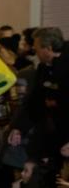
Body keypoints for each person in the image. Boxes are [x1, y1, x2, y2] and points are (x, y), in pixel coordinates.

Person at [8, 27, 68, 162]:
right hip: (54, 130)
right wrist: (18, 127)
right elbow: (35, 101)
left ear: (48, 48)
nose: (34, 52)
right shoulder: (43, 68)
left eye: (37, 48)